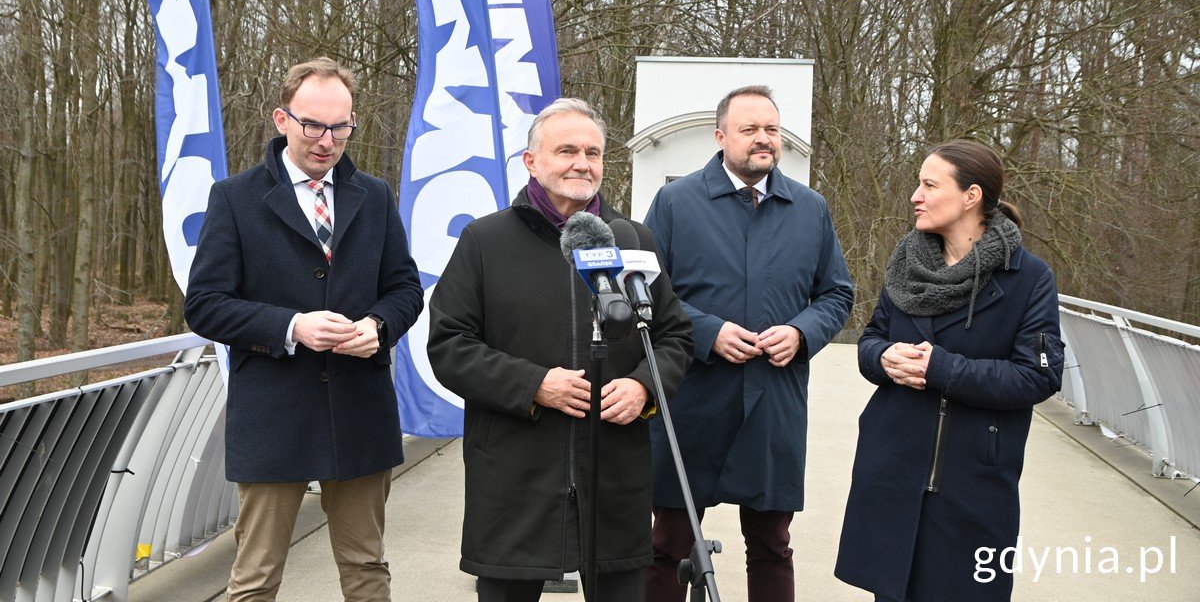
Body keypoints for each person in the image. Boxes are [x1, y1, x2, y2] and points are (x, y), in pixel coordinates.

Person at [426, 98, 693, 602]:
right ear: (531, 161)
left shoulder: (633, 239)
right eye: (566, 150)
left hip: (614, 478)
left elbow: (674, 338)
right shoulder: (485, 240)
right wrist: (534, 386)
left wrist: (642, 387)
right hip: (514, 480)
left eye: (592, 152)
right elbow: (449, 344)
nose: (581, 163)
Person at [184, 57, 424, 602]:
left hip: (359, 410)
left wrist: (379, 326)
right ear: (281, 119)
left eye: (340, 126)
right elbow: (204, 305)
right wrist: (290, 325)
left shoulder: (376, 196)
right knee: (255, 579)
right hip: (273, 416)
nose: (327, 139)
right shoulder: (235, 198)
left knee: (366, 569)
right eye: (313, 124)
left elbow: (405, 289)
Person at [643, 85, 854, 602]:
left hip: (772, 402)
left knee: (772, 543)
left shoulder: (810, 209)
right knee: (668, 543)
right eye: (750, 130)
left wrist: (802, 331)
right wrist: (708, 333)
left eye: (772, 130)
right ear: (721, 137)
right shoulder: (675, 202)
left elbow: (837, 293)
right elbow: (646, 287)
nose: (764, 140)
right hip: (690, 400)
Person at [834, 140, 1064, 602]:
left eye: (929, 185)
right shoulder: (907, 263)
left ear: (971, 196)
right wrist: (881, 358)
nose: (915, 196)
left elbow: (1039, 376)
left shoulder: (1028, 278)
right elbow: (871, 338)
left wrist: (942, 368)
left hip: (972, 485)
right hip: (892, 468)